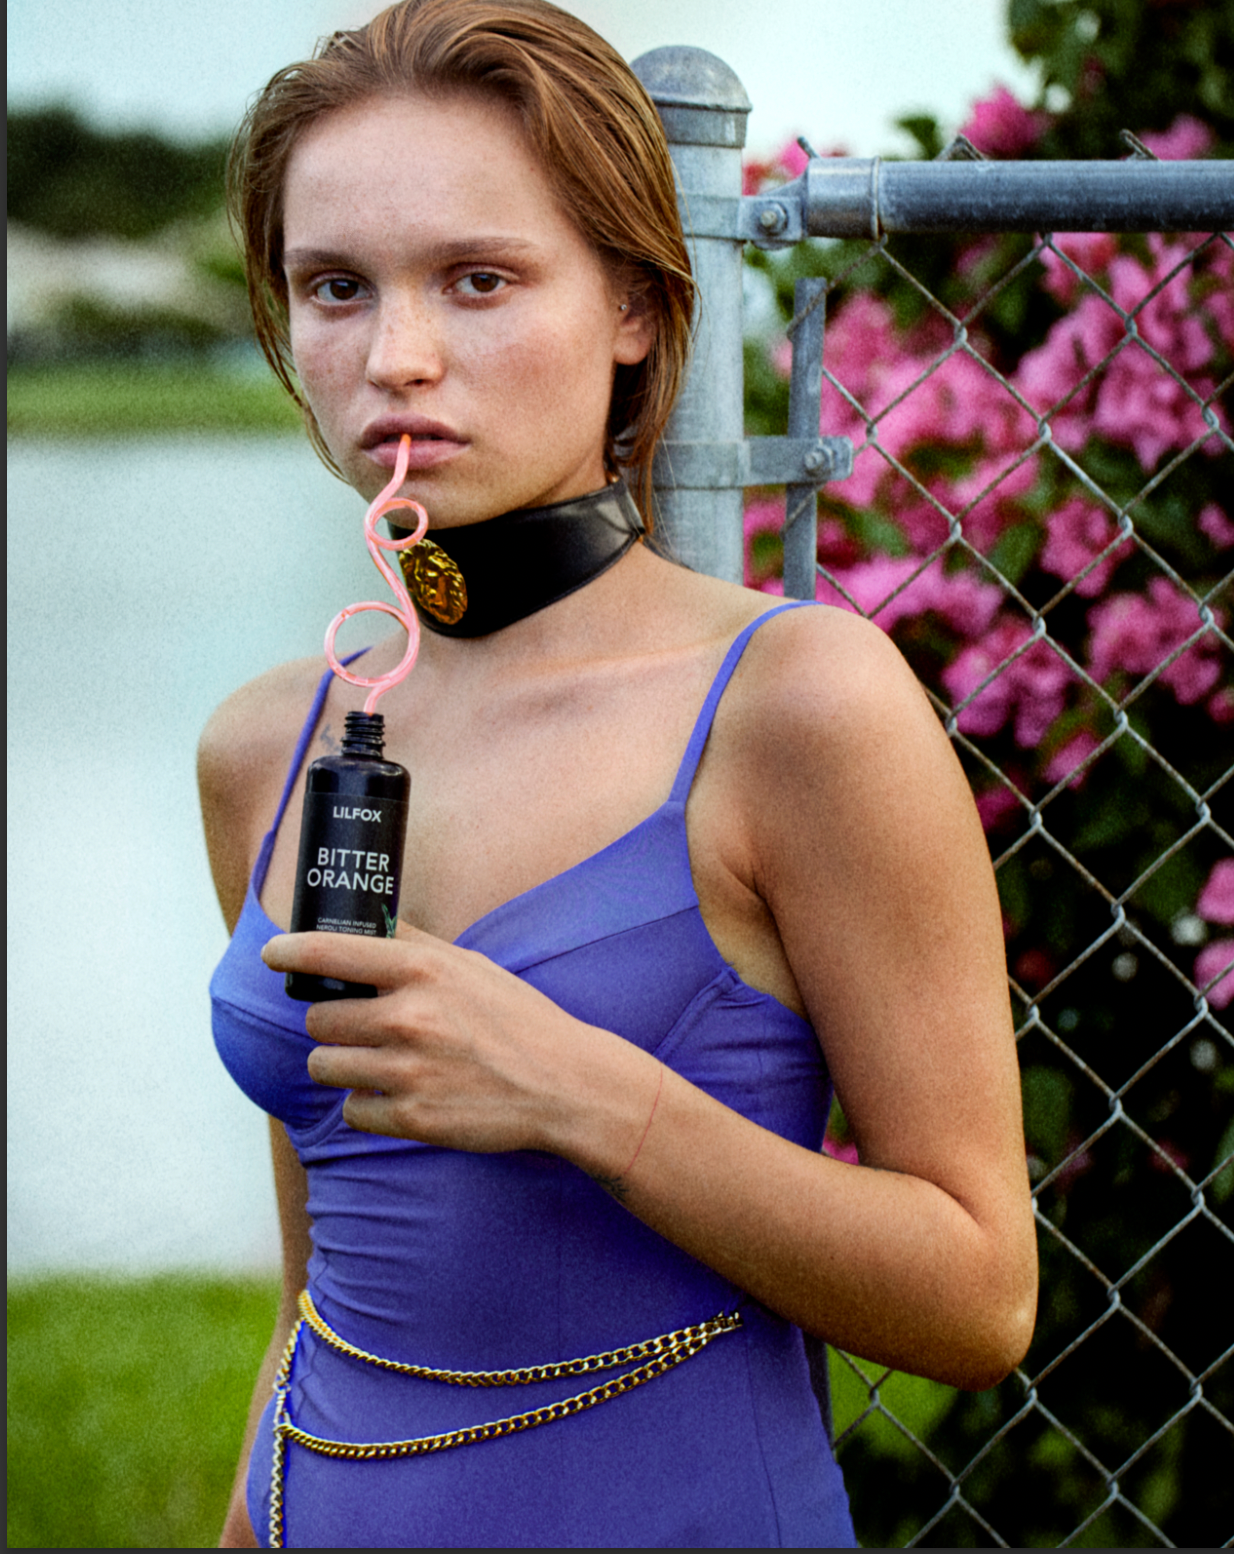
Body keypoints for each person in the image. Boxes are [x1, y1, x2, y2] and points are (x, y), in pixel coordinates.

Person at [201, 0, 1038, 1545]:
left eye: (479, 278)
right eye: (335, 286)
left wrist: (586, 1094)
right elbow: (320, 1291)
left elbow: (978, 1297)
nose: (393, 358)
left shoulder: (797, 706)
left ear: (637, 308)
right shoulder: (266, 747)